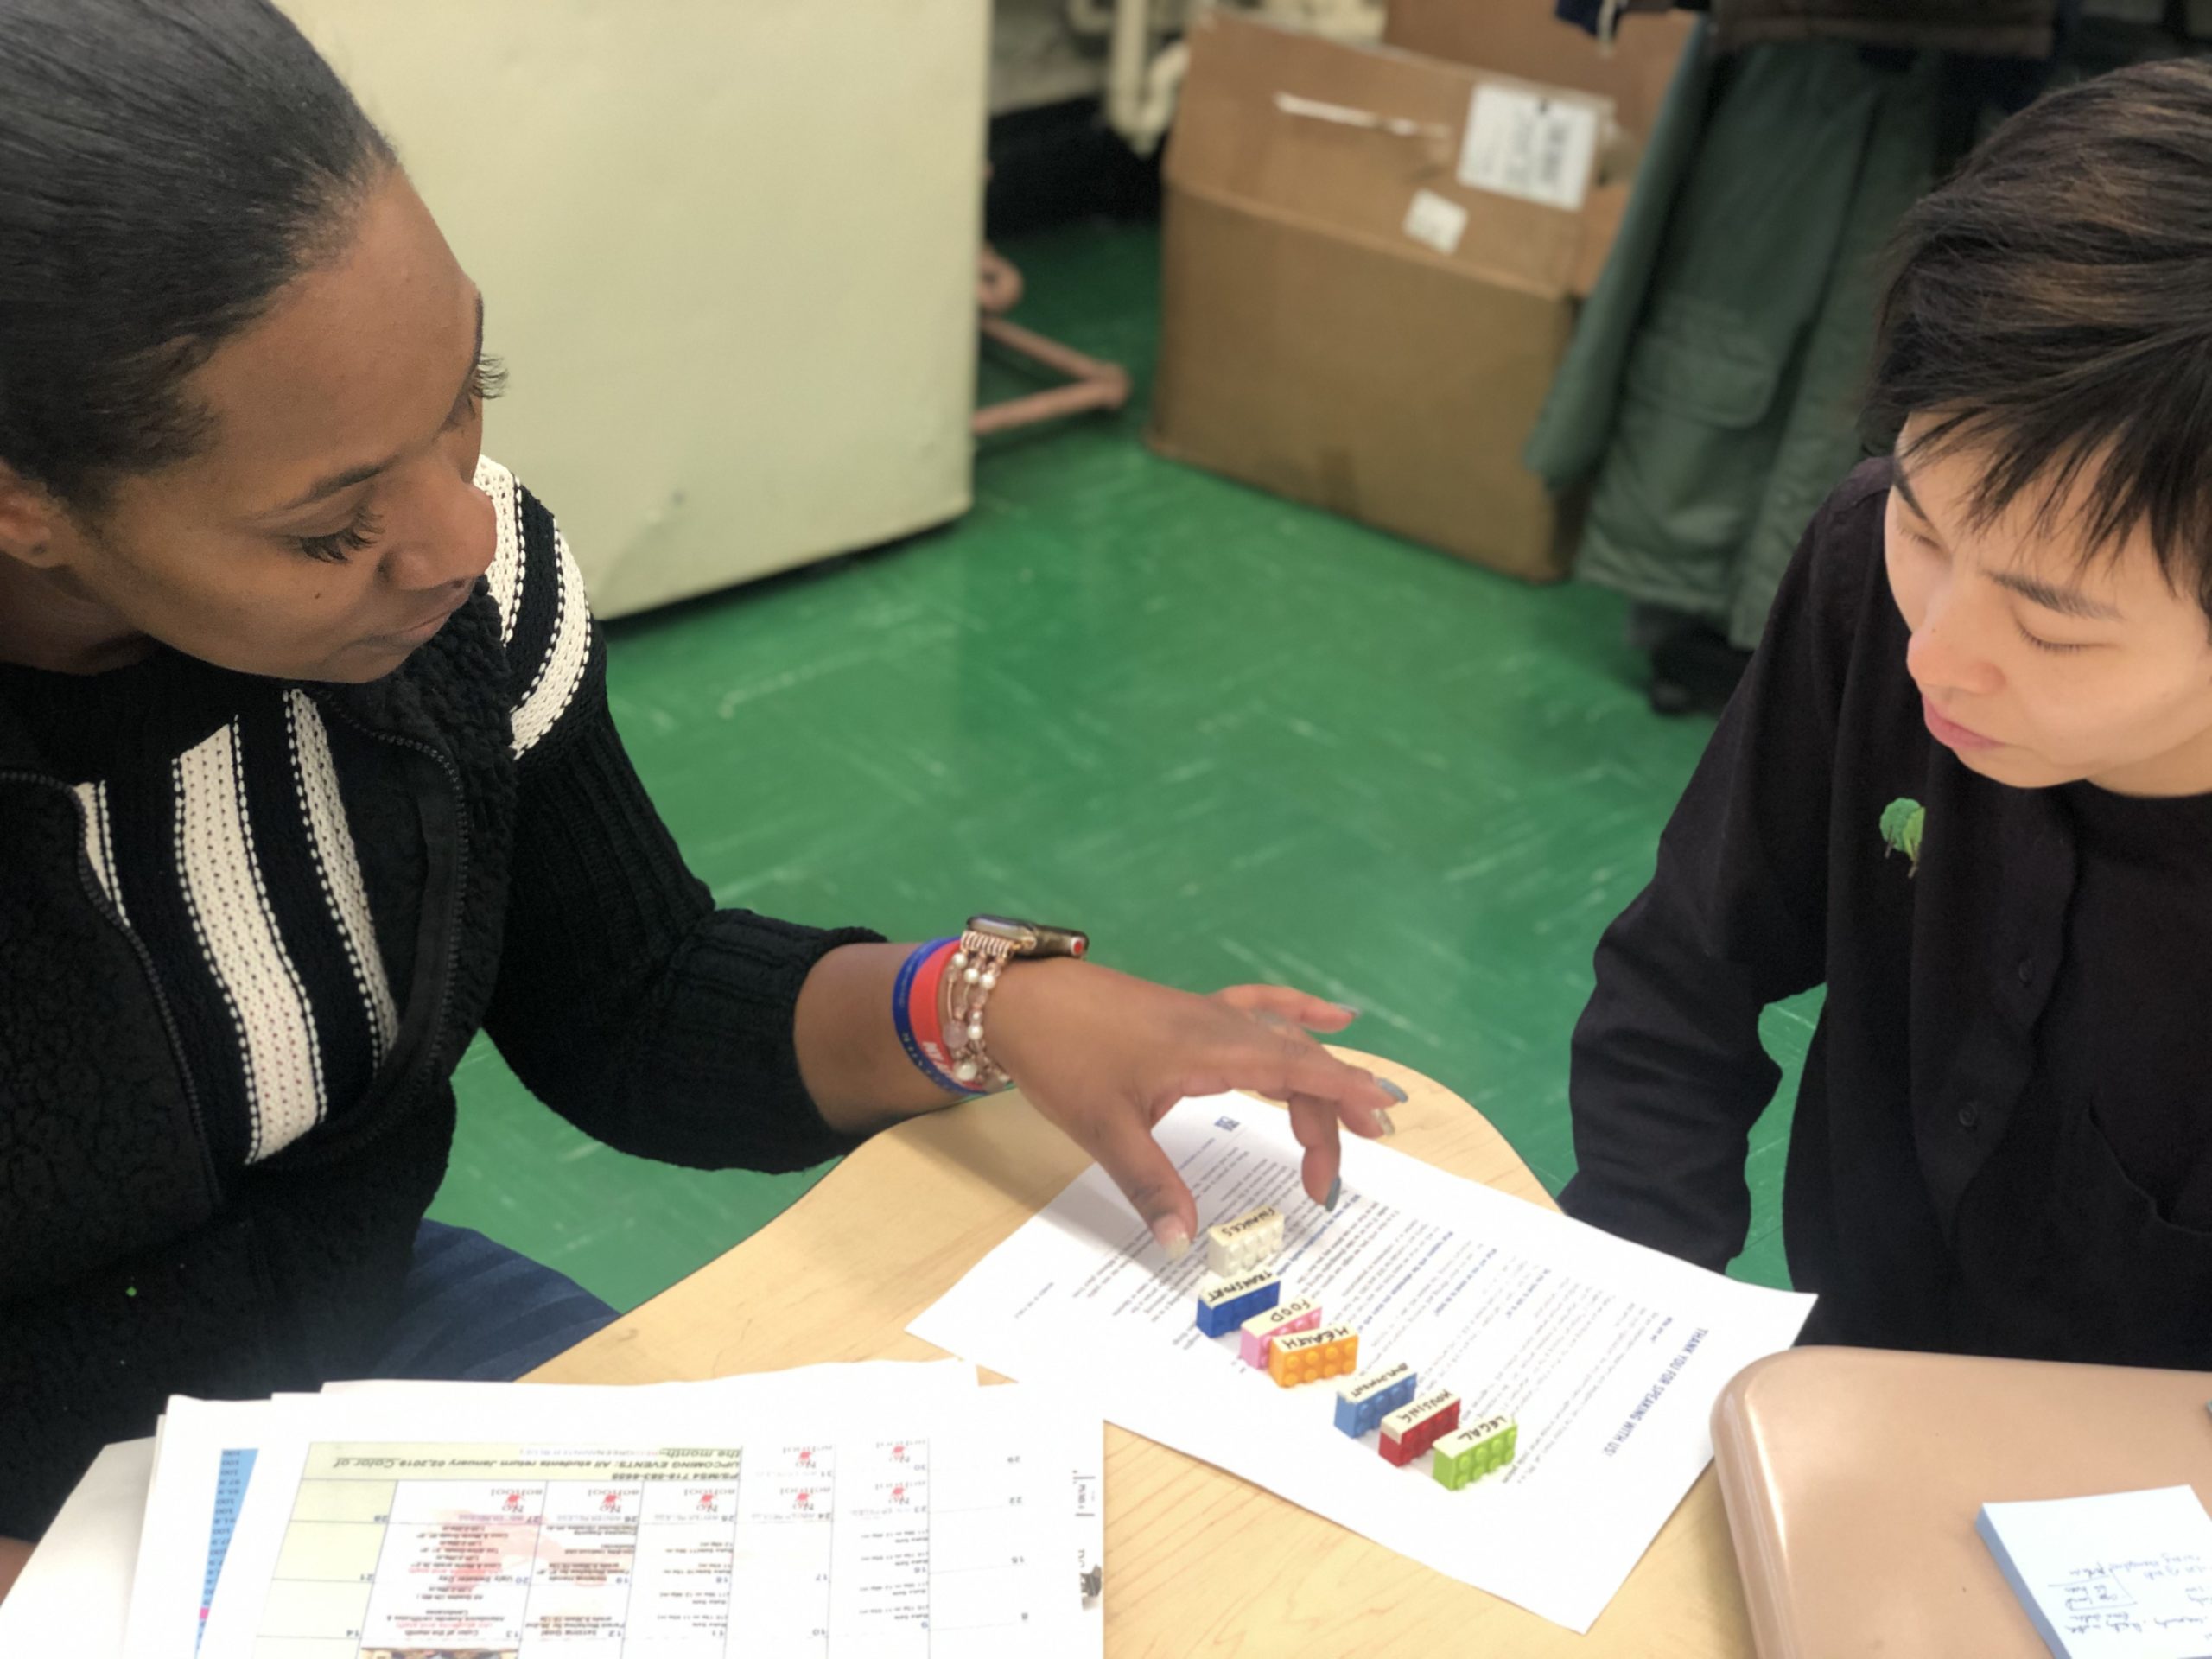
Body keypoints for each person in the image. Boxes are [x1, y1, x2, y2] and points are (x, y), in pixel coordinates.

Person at [0, 0, 1405, 1593]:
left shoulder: (457, 598)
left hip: (357, 1344)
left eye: (473, 387)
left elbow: (629, 994)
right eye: (331, 528)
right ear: (25, 505)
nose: (461, 535)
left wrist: (983, 1006)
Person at [1564, 60, 2212, 1369]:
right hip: (1854, 1379)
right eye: (1927, 525)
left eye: (2052, 623)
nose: (1941, 659)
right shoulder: (1872, 570)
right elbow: (1687, 973)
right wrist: (1617, 1333)